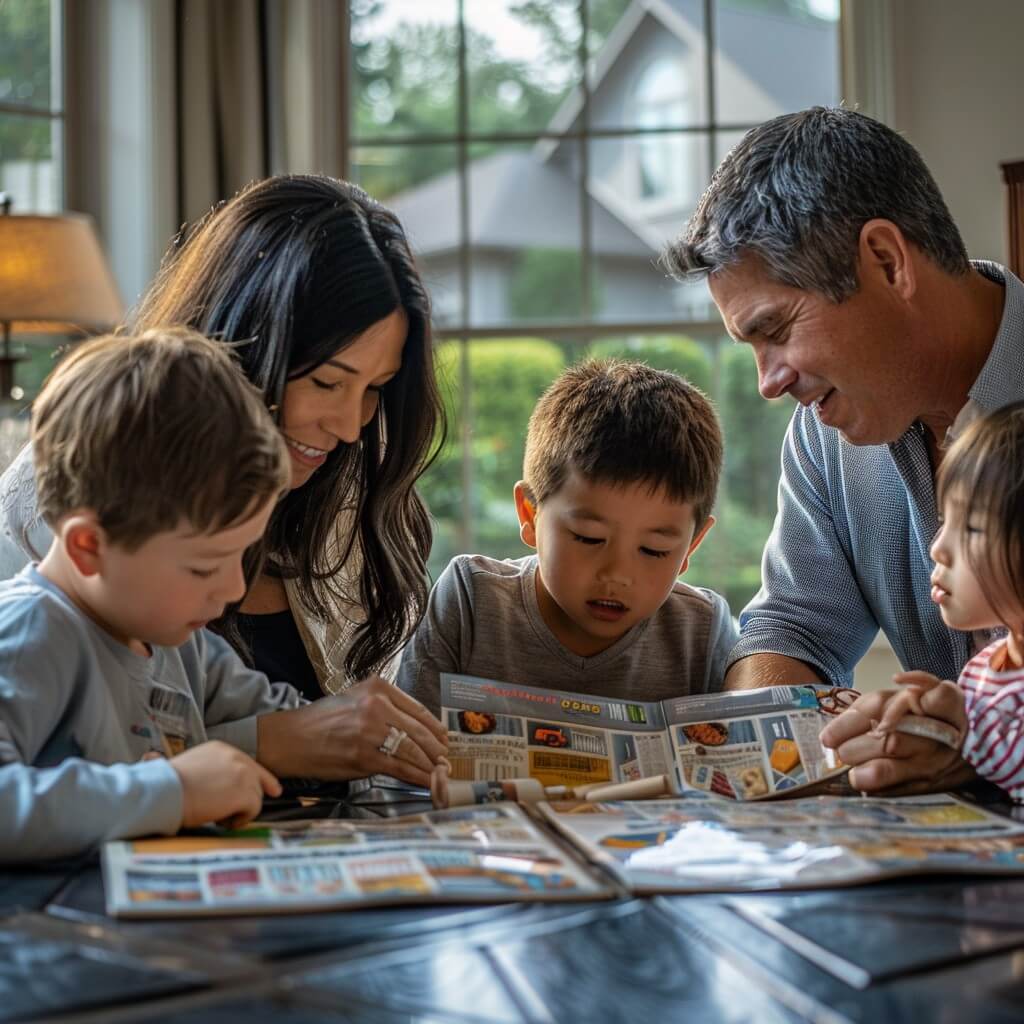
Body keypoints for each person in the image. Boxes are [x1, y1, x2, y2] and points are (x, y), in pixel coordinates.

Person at [0, 175, 448, 785]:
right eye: (325, 381)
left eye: (374, 390)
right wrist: (268, 744)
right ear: (246, 343)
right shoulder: (60, 500)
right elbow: (65, 750)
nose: (348, 426)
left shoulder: (339, 495)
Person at [662, 105, 1020, 792]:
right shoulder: (826, 436)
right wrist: (780, 741)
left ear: (886, 262)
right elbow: (792, 629)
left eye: (776, 330)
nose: (769, 383)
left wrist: (979, 752)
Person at [3, 329, 296, 859]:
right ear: (90, 547)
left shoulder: (176, 640)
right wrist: (171, 793)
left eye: (242, 554)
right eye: (204, 567)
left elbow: (284, 715)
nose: (233, 589)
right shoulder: (30, 632)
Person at [397, 359, 737, 713]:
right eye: (588, 538)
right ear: (530, 513)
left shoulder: (702, 631)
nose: (617, 574)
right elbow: (401, 751)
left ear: (691, 545)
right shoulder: (472, 602)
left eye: (654, 550)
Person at [826, 402, 1024, 801]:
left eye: (971, 528)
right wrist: (933, 715)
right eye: (943, 520)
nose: (938, 548)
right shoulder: (984, 668)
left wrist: (963, 732)